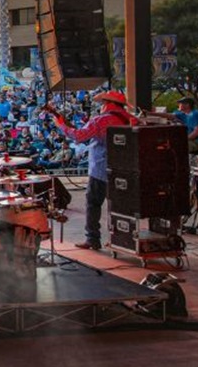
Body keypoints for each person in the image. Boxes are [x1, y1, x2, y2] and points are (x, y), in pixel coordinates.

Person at [49, 90, 137, 250]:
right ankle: (123, 240)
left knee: (93, 203)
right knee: (122, 207)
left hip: (101, 169)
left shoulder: (101, 120)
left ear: (107, 104)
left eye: (102, 103)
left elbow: (79, 136)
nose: (100, 107)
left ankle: (92, 239)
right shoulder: (132, 119)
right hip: (127, 170)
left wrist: (60, 125)